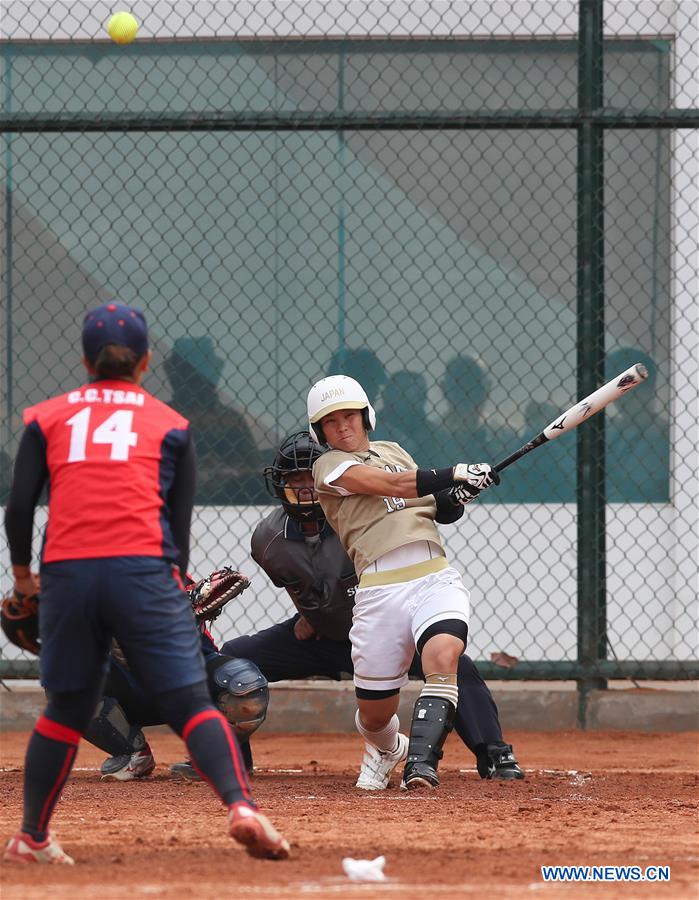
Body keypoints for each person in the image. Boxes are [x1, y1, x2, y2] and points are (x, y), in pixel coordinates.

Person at [3, 302, 289, 864]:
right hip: (141, 569)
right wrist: (172, 585)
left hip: (68, 572)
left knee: (65, 707)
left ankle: (31, 835)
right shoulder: (172, 424)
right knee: (187, 700)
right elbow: (176, 534)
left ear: (86, 360)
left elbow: (18, 509)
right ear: (146, 362)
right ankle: (240, 806)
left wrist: (22, 581)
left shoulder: (46, 417)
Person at [220, 431, 523, 788]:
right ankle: (228, 760)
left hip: (383, 627)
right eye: (294, 481)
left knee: (454, 664)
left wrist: (455, 496)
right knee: (232, 660)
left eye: (309, 479)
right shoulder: (268, 539)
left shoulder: (361, 517)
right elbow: (297, 583)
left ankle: (495, 753)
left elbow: (431, 507)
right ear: (280, 485)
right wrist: (308, 615)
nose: (305, 488)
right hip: (322, 636)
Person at [306, 375, 509, 791]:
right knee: (376, 714)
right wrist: (455, 472)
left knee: (444, 654)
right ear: (320, 432)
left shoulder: (393, 452)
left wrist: (463, 491)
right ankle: (388, 748)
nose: (343, 426)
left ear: (366, 416)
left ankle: (421, 765)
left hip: (433, 576)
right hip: (380, 592)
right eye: (331, 422)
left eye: (349, 416)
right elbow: (392, 485)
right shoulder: (327, 467)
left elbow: (433, 506)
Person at [164, 336, 267, 504]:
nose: (194, 379)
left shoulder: (231, 420)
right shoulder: (161, 417)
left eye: (198, 372)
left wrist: (227, 474)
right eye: (187, 371)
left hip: (231, 505)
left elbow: (254, 473)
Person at [604, 347, 669, 503]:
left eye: (627, 390)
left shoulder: (664, 438)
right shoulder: (613, 433)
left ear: (648, 389)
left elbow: (647, 491)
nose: (619, 398)